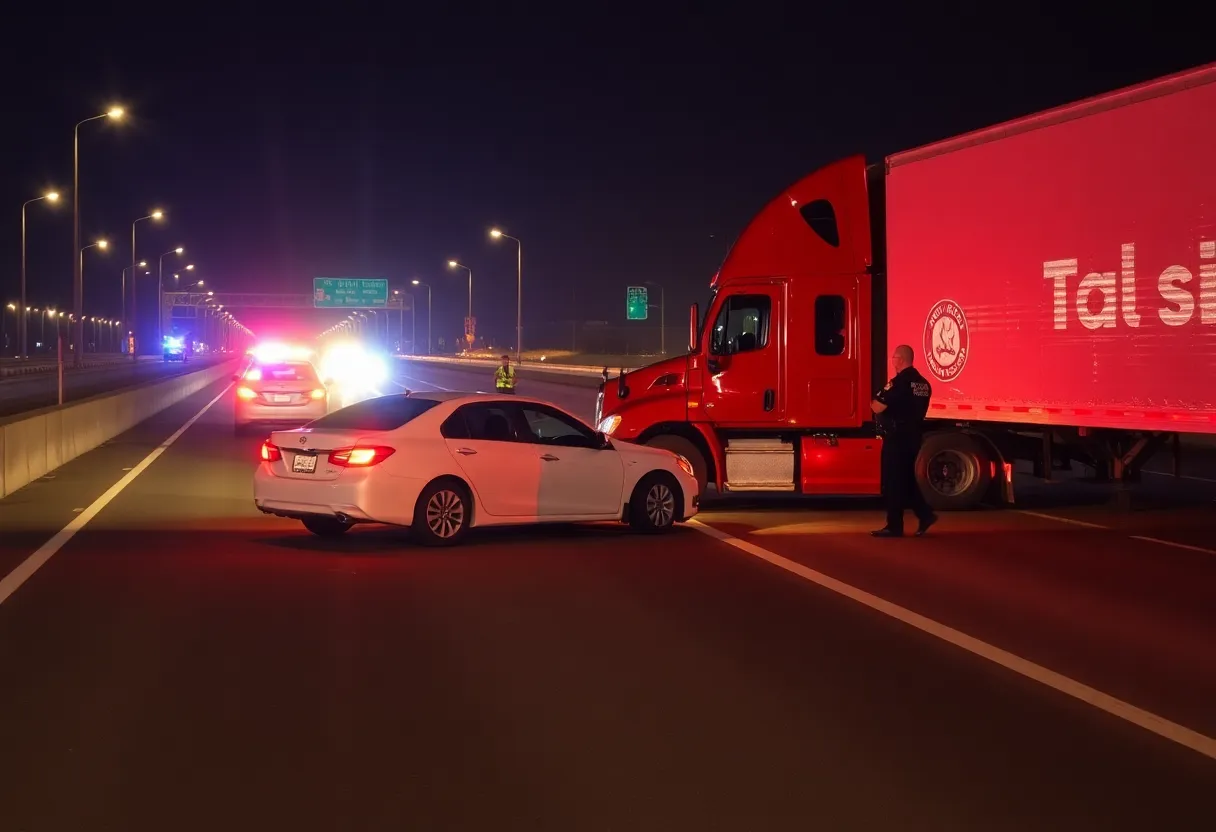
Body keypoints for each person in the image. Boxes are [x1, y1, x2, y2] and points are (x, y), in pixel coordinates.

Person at [870, 344, 937, 537]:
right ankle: (925, 515)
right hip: (914, 436)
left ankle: (894, 526)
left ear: (899, 359)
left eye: (893, 358)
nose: (892, 361)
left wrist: (875, 401)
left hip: (896, 437)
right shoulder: (924, 384)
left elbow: (877, 408)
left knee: (892, 481)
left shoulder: (899, 383)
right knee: (906, 479)